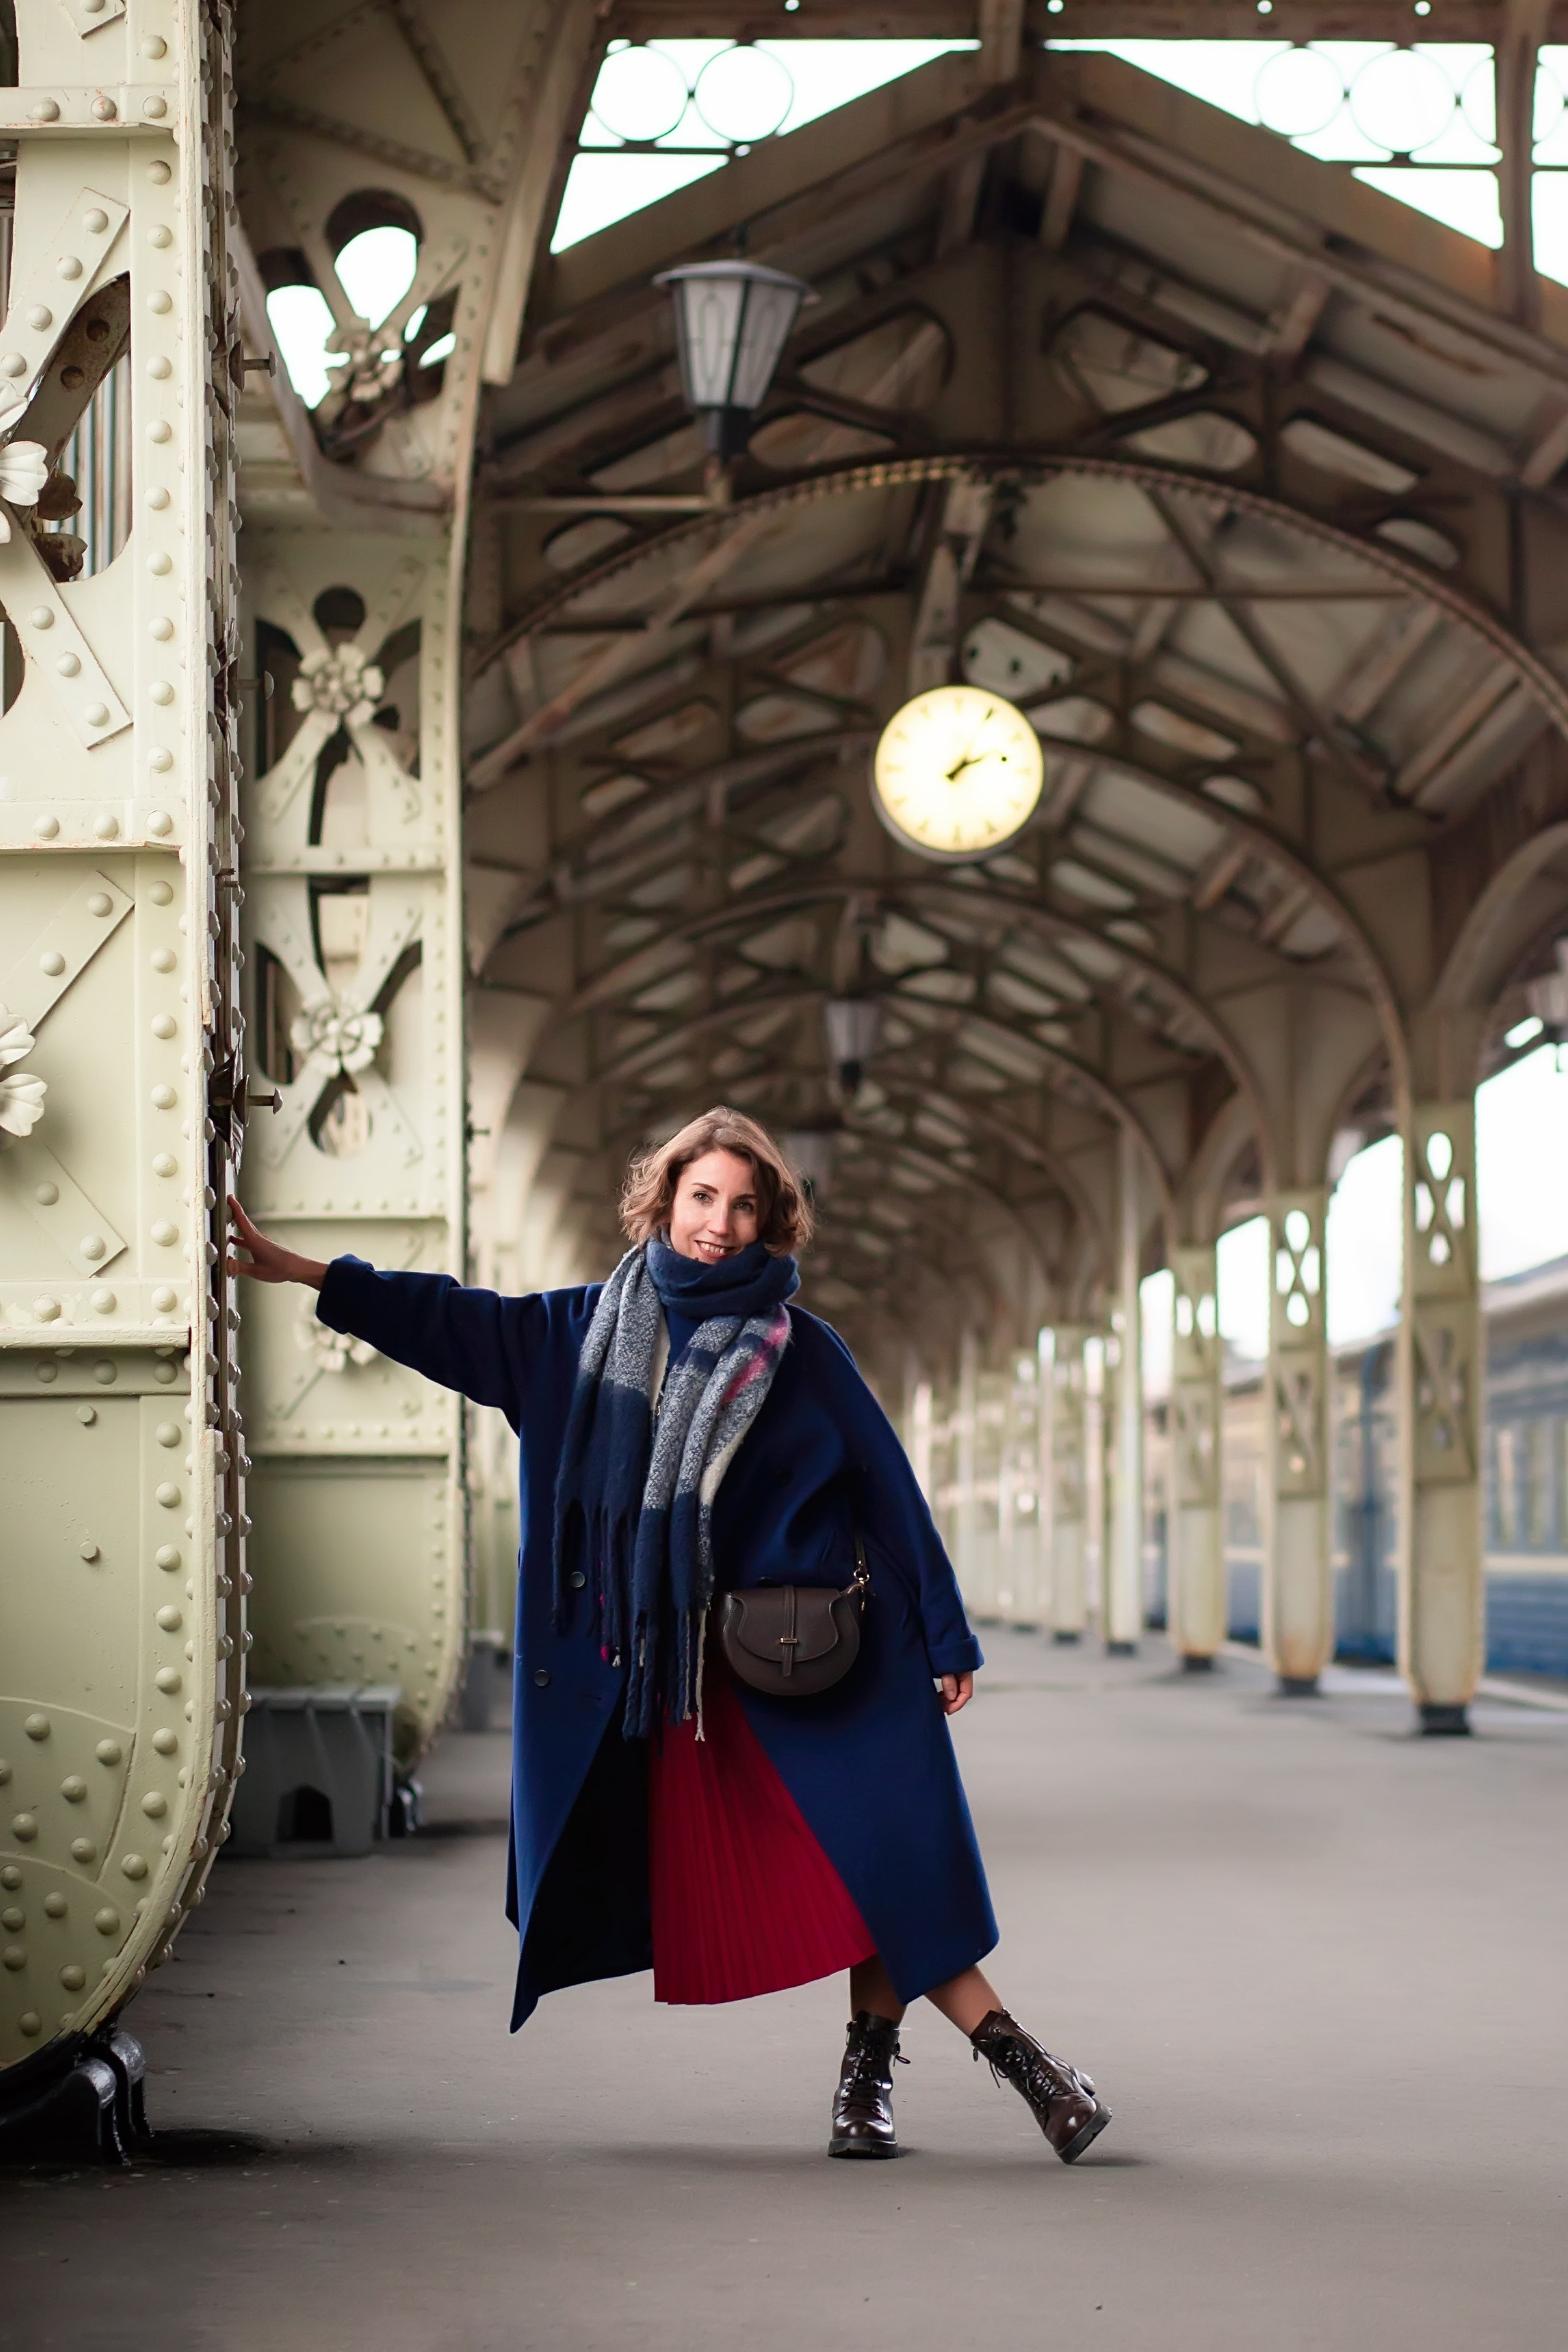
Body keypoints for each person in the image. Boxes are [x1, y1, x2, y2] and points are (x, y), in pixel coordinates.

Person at [228, 1107, 1109, 2163]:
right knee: (866, 1868)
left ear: (770, 1221)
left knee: (891, 1852)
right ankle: (976, 2075)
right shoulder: (575, 1337)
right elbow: (453, 1321)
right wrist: (313, 1275)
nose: (719, 1224)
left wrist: (946, 1636)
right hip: (679, 1672)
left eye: (743, 1205)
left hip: (816, 1655)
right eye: (702, 1198)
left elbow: (888, 1490)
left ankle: (932, 2075)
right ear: (664, 1199)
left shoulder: (803, 1351)